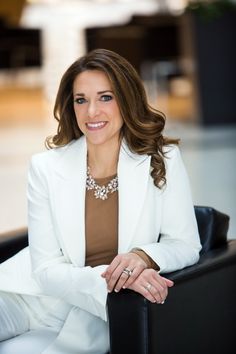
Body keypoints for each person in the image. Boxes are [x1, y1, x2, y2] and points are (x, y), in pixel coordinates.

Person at [0, 48, 201, 354]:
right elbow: (45, 271)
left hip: (98, 311)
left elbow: (186, 244)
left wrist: (142, 257)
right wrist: (115, 279)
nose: (92, 112)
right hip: (28, 294)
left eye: (105, 97)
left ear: (127, 99)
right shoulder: (46, 167)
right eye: (81, 100)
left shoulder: (163, 160)